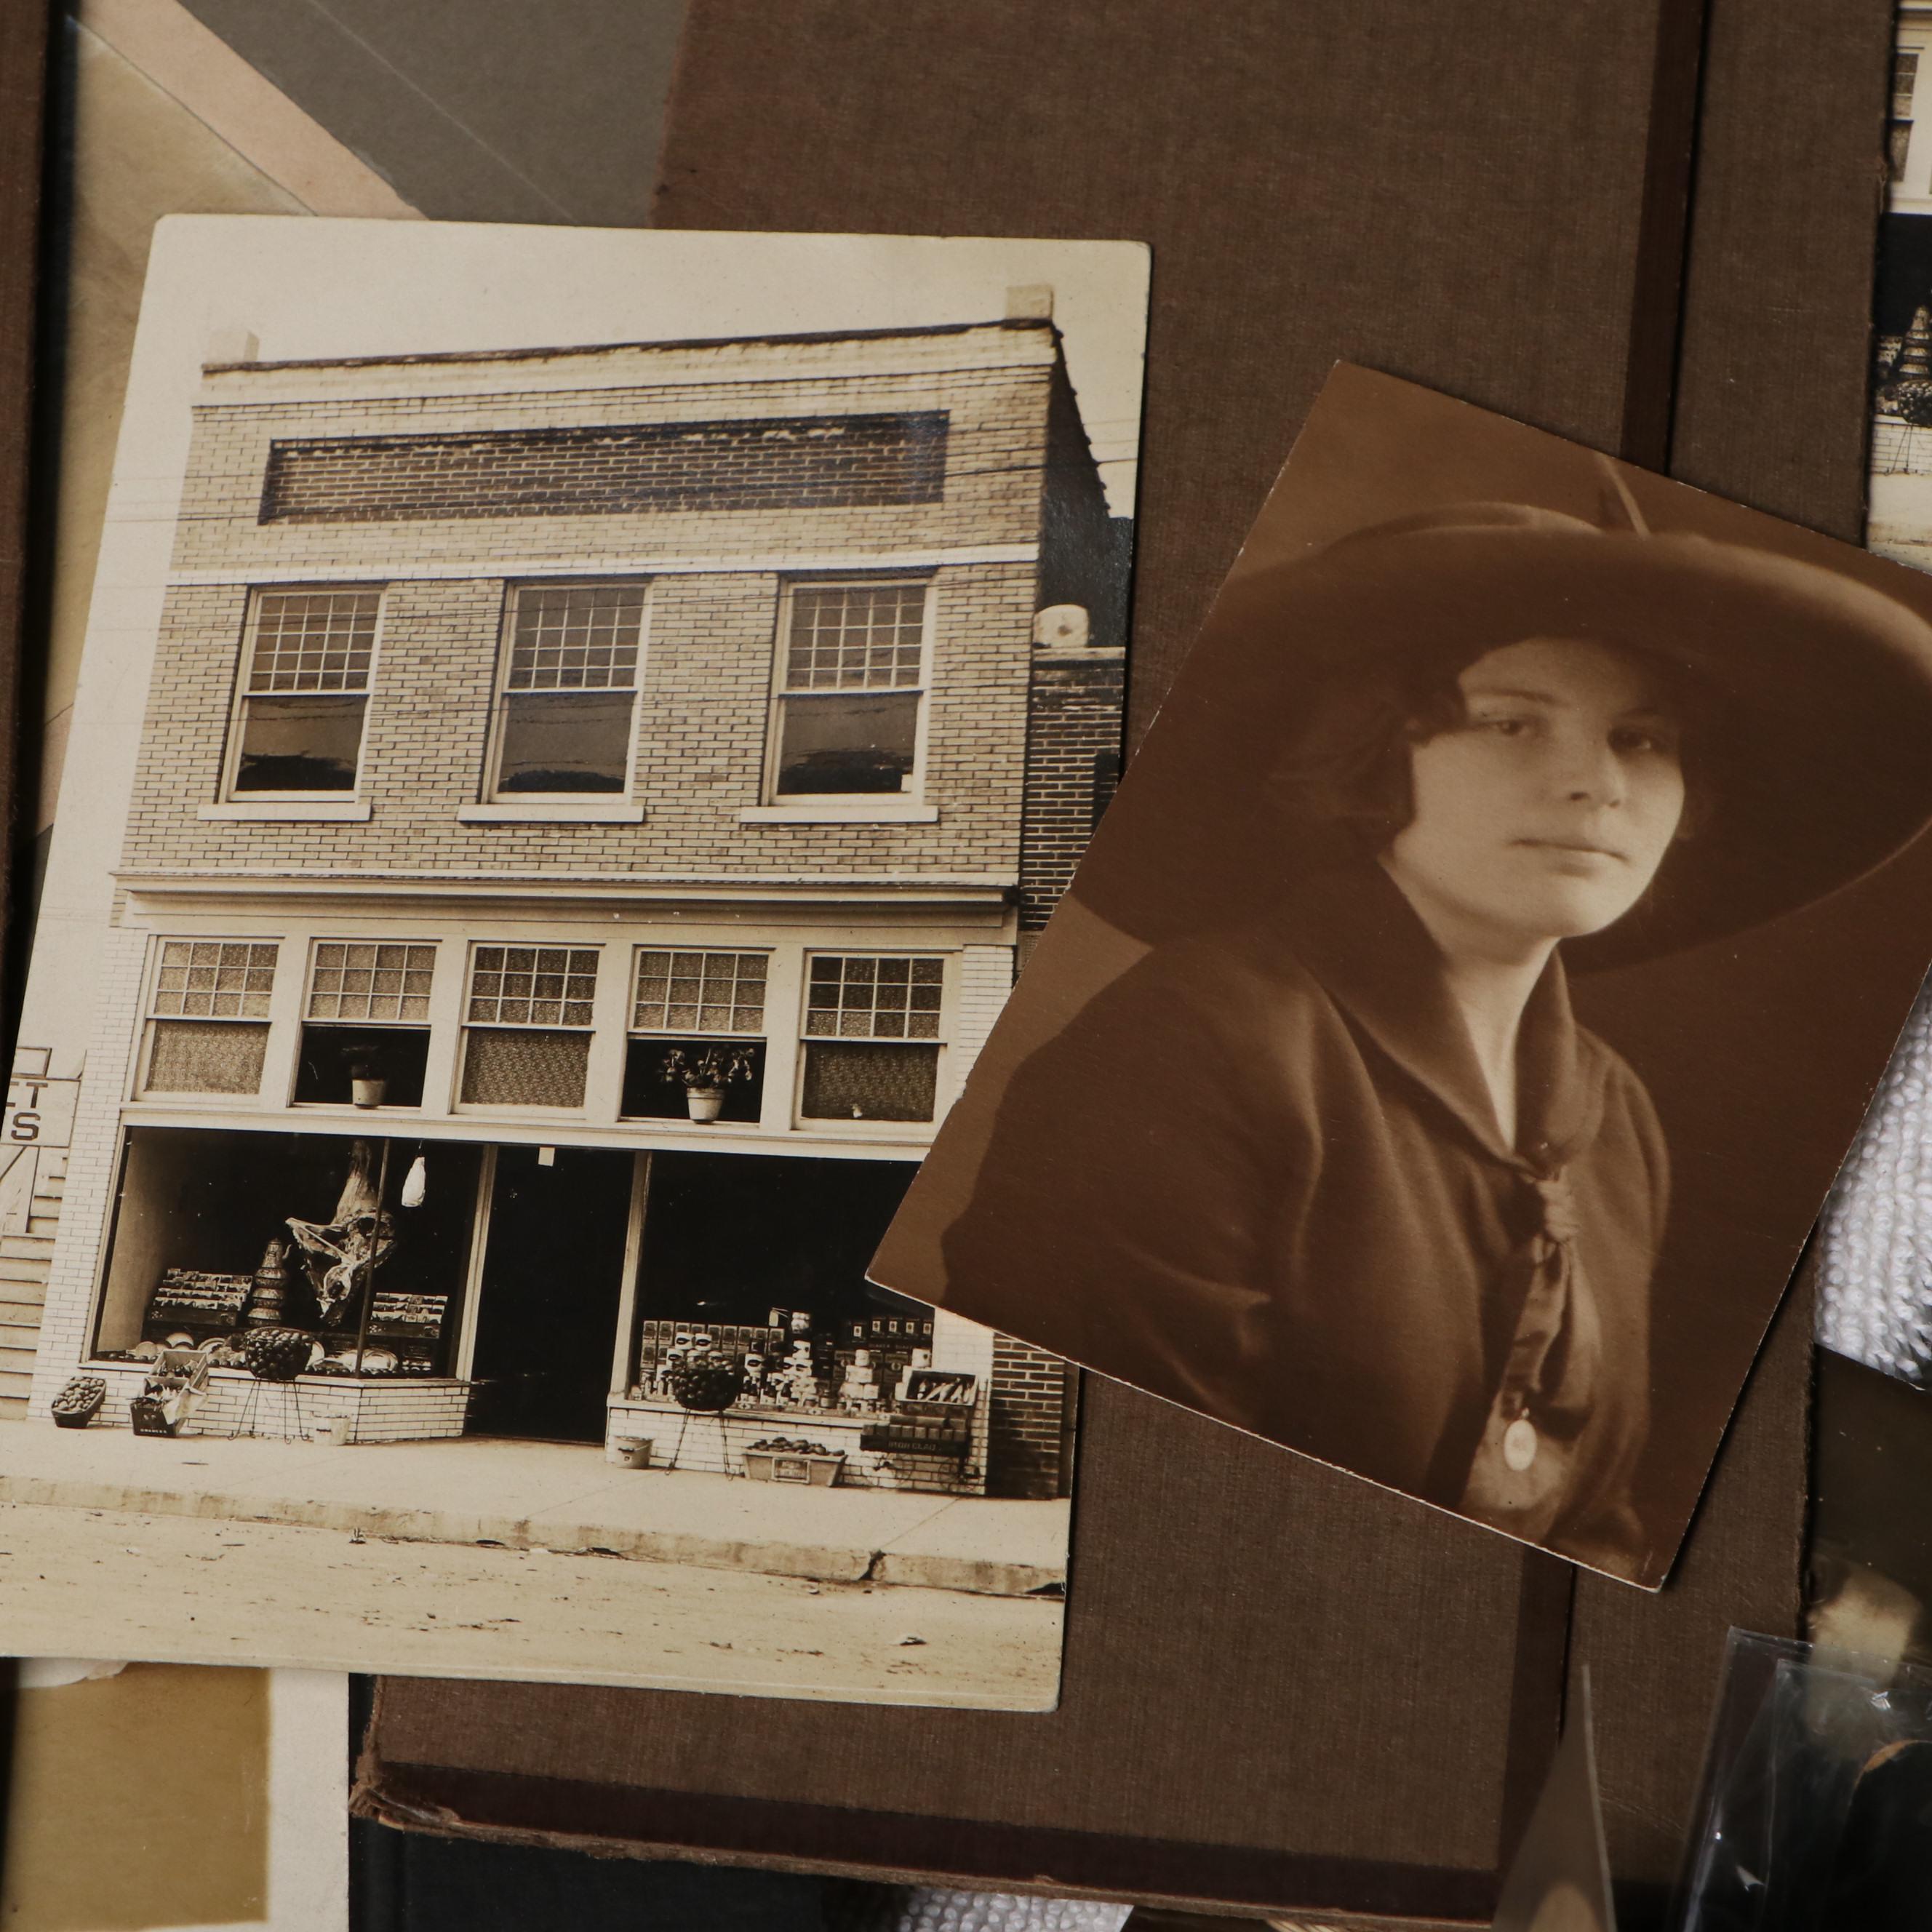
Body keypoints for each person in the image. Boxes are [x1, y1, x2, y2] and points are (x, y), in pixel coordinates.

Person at [935, 496, 1932, 1579]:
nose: (1597, 781)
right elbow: (1149, 1514)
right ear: (1370, 751)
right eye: (1512, 721)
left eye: (1641, 737)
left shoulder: (1614, 1113)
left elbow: (1604, 1533)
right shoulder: (1193, 1046)